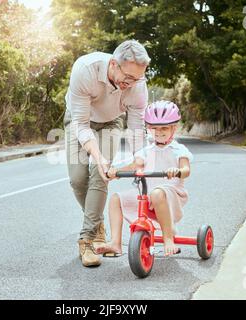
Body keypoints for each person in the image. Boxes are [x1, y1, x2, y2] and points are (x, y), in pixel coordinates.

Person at [64, 40, 150, 267]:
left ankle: (88, 239)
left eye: (138, 78)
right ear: (113, 64)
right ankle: (98, 222)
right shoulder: (85, 69)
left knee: (100, 174)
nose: (131, 83)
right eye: (128, 77)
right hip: (80, 121)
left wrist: (138, 158)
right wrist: (97, 154)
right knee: (77, 179)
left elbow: (135, 127)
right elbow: (81, 125)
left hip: (112, 122)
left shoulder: (138, 86)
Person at [96, 100, 193, 257]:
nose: (159, 132)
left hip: (171, 194)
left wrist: (177, 171)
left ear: (173, 128)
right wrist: (115, 172)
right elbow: (135, 165)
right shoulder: (146, 150)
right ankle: (115, 243)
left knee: (157, 193)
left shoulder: (179, 150)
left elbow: (186, 170)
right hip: (148, 195)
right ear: (148, 128)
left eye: (164, 128)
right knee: (116, 199)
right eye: (154, 128)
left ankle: (168, 239)